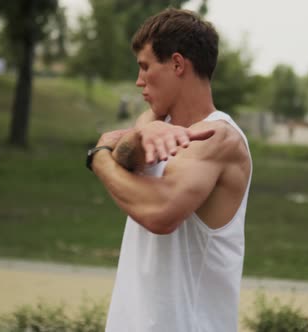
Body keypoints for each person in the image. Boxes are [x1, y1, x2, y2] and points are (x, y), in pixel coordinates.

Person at [85, 8, 252, 332]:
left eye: (146, 67)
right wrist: (144, 128)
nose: (139, 81)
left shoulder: (217, 137)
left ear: (177, 64)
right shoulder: (160, 128)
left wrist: (97, 158)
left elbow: (160, 213)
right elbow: (125, 154)